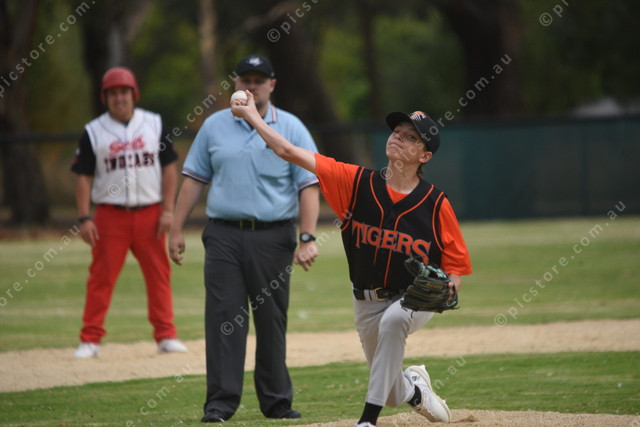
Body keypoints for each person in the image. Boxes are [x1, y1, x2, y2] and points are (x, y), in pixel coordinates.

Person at [231, 91, 472, 426]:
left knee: (394, 320)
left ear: (425, 155)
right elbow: (287, 151)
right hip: (366, 301)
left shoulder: (435, 204)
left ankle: (367, 420)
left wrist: (448, 289)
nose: (398, 138)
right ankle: (416, 391)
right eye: (397, 132)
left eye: (411, 137)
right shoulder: (356, 183)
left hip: (415, 300)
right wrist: (253, 116)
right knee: (392, 391)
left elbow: (455, 269)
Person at [168, 54, 320, 423]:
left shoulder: (292, 127)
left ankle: (276, 402)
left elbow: (309, 185)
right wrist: (175, 227)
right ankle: (220, 405)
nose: (251, 86)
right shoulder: (214, 126)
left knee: (271, 320)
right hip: (223, 235)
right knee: (224, 319)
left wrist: (307, 236)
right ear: (235, 83)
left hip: (273, 237)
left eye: (259, 80)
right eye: (245, 79)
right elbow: (194, 179)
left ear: (272, 85)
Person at [71, 66, 187, 359]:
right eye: (112, 93)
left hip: (151, 213)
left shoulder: (153, 123)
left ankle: (166, 334)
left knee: (159, 274)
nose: (119, 98)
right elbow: (83, 176)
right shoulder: (94, 131)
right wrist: (84, 217)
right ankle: (90, 339)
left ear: (134, 94)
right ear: (105, 97)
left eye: (124, 92)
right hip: (110, 215)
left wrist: (168, 210)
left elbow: (169, 168)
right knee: (101, 278)